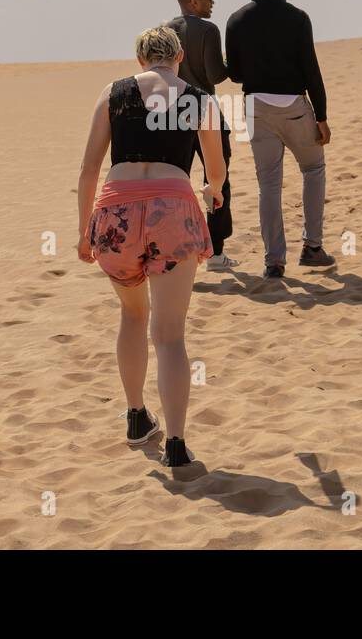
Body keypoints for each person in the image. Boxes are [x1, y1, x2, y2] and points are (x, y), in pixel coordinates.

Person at [77, 25, 225, 468]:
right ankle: (176, 444)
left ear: (140, 59)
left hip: (115, 214)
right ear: (179, 56)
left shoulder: (113, 93)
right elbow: (215, 169)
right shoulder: (200, 98)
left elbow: (89, 169)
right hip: (172, 211)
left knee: (132, 314)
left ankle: (137, 415)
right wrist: (212, 190)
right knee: (170, 335)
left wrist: (82, 229)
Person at [225, 0, 335, 279]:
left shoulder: (236, 20)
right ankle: (312, 248)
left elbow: (234, 74)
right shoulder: (298, 18)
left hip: (255, 106)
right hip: (295, 106)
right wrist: (323, 115)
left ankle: (274, 261)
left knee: (268, 183)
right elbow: (310, 70)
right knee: (313, 169)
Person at [167, 0, 237, 271]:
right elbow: (215, 74)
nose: (213, 3)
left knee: (173, 178)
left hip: (171, 111)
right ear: (193, 1)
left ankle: (170, 247)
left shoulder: (165, 29)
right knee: (217, 179)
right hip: (205, 109)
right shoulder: (209, 29)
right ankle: (216, 252)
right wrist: (232, 63)